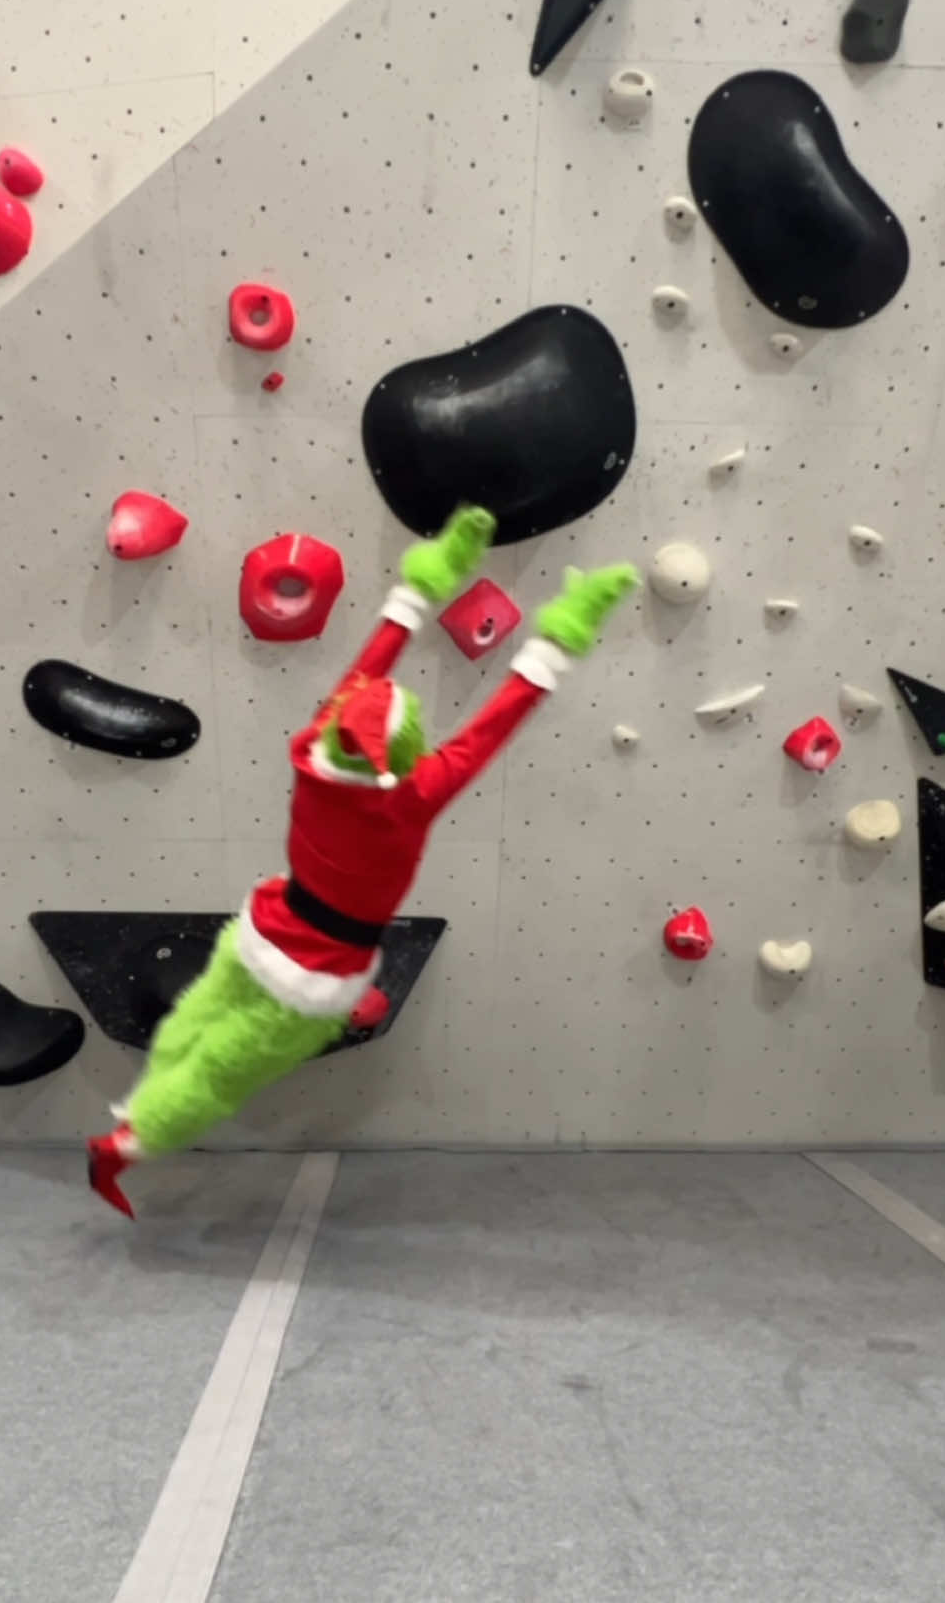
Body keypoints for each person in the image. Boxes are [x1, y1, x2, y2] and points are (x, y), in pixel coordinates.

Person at [88, 505, 636, 1215]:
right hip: (313, 978)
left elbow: (373, 660)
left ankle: (141, 1098)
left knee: (196, 1017)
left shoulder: (313, 749)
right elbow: (497, 719)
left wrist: (425, 586)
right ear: (407, 754)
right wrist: (558, 638)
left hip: (263, 926)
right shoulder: (413, 796)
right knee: (220, 1073)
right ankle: (123, 1149)